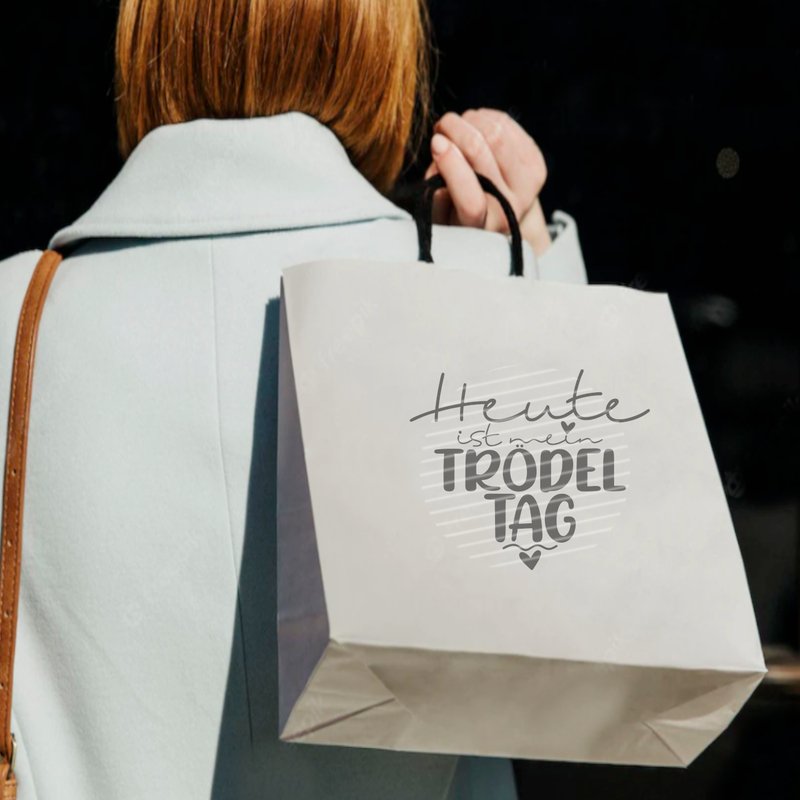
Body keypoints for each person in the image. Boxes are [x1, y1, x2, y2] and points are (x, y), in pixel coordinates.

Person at [0, 1, 586, 797]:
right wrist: (526, 285)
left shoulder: (16, 322)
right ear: (382, 41)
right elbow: (579, 640)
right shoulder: (454, 310)